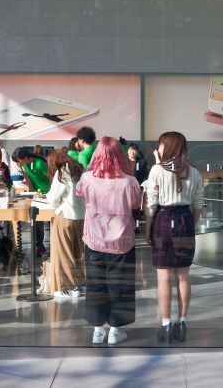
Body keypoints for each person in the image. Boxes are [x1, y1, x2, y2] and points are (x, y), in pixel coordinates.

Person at [75, 137, 141, 345]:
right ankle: (114, 330)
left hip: (94, 240)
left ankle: (97, 330)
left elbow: (80, 194)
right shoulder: (129, 181)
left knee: (96, 284)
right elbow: (136, 204)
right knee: (120, 285)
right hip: (122, 241)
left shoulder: (86, 178)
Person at [144, 131, 204, 344]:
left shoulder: (157, 170)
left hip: (162, 220)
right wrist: (188, 225)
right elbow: (198, 206)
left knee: (163, 278)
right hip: (185, 221)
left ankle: (166, 326)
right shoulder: (194, 172)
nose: (159, 148)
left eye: (161, 144)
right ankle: (182, 322)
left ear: (167, 147)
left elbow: (150, 204)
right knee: (183, 276)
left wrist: (148, 229)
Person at [44, 149, 86, 300]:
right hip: (82, 216)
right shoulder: (81, 169)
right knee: (79, 251)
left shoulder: (62, 172)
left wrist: (49, 198)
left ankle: (67, 288)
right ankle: (81, 284)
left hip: (65, 214)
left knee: (63, 252)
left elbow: (53, 198)